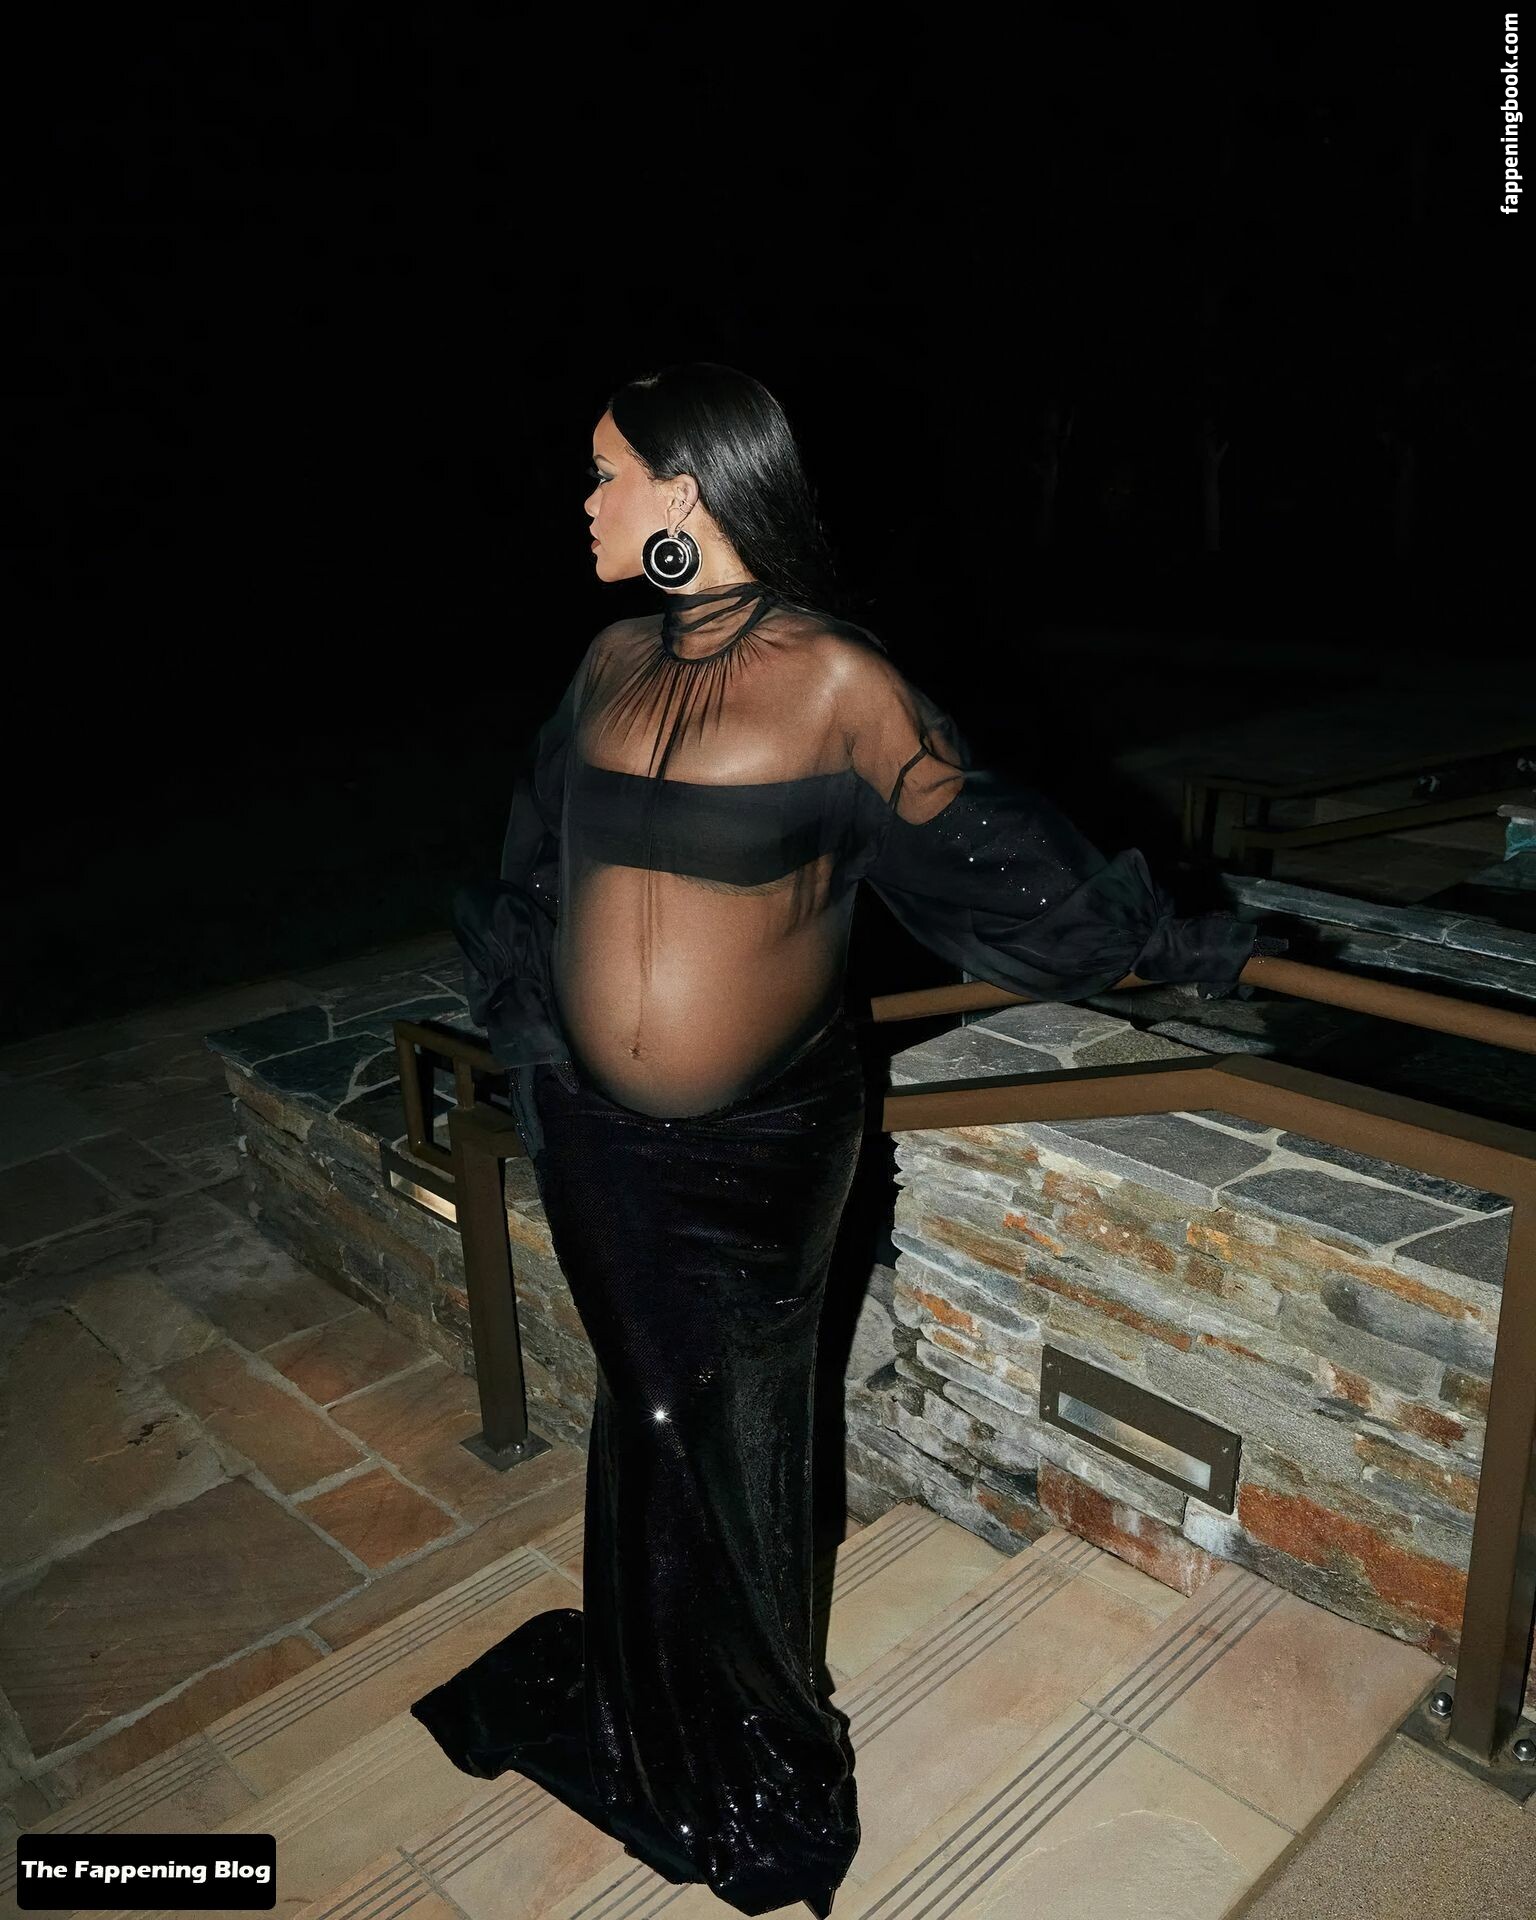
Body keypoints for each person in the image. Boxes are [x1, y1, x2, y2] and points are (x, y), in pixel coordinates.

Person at [409, 362, 1284, 1917]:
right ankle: (660, 1692)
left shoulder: (834, 680)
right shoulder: (608, 661)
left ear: (690, 489)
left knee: (707, 1416)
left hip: (762, 1148)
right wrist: (543, 1034)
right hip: (596, 1132)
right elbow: (537, 866)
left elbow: (986, 850)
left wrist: (1169, 941)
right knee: (654, 1411)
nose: (587, 500)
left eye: (608, 472)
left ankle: (751, 1742)